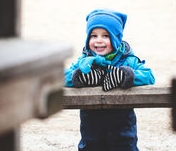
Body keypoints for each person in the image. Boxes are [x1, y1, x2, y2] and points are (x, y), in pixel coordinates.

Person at [65, 9, 155, 151]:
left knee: (124, 147)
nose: (98, 40)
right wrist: (80, 77)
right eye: (93, 36)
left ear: (116, 38)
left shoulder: (127, 60)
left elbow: (149, 76)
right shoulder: (85, 61)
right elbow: (64, 77)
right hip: (91, 122)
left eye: (106, 36)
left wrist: (126, 75)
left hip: (122, 122)